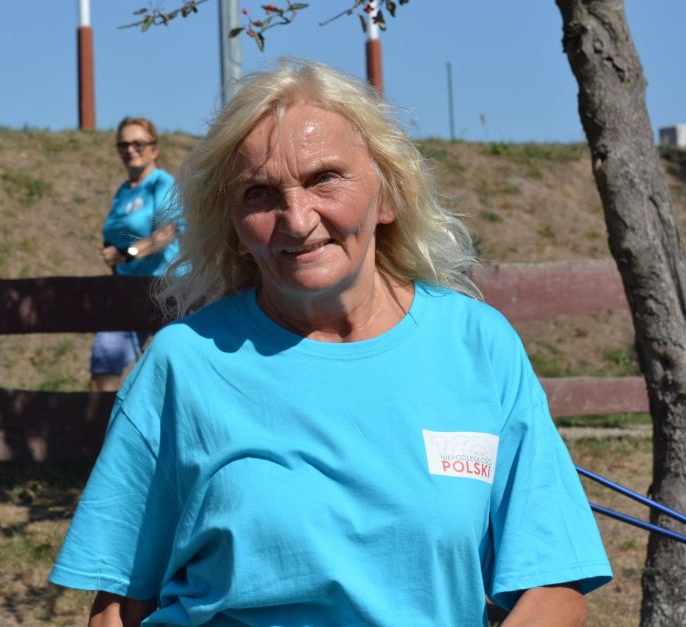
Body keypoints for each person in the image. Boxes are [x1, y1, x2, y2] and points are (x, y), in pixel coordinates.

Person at [51, 60, 612, 626]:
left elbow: (553, 585)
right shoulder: (183, 364)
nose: (296, 219)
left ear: (387, 196)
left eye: (324, 179)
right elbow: (117, 607)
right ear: (234, 227)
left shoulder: (477, 346)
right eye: (259, 193)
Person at [90, 116, 181, 392]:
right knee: (104, 360)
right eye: (123, 145)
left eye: (138, 144)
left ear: (154, 148)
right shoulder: (122, 192)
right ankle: (103, 418)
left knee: (174, 366)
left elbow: (167, 232)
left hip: (166, 288)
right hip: (128, 290)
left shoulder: (162, 183)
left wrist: (128, 253)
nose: (130, 150)